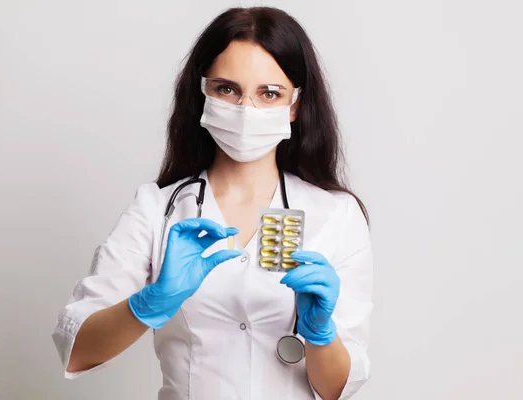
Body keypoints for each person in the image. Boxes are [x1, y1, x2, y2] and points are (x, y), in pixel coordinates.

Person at [52, 6, 373, 400]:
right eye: (227, 89)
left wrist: (320, 335)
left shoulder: (336, 216)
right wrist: (149, 304)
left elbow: (336, 389)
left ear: (294, 105)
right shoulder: (157, 209)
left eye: (268, 93)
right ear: (203, 92)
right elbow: (78, 351)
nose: (245, 110)